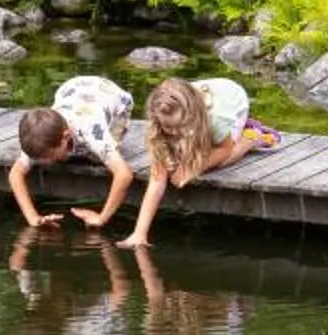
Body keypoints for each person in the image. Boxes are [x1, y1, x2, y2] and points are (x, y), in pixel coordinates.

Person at [120, 77, 279, 248]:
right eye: (168, 127)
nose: (174, 133)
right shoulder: (163, 116)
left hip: (233, 99)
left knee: (223, 158)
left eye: (179, 126)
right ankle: (222, 134)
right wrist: (139, 233)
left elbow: (224, 150)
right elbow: (157, 178)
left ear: (191, 116)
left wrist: (192, 169)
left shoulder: (215, 117)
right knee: (181, 154)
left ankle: (251, 136)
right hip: (201, 103)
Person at [6, 74, 136, 230]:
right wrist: (33, 218)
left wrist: (101, 218)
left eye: (48, 156)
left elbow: (124, 174)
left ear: (65, 137)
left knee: (97, 157)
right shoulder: (40, 136)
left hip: (116, 100)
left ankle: (91, 149)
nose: (45, 162)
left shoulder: (93, 133)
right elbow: (15, 174)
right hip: (71, 89)